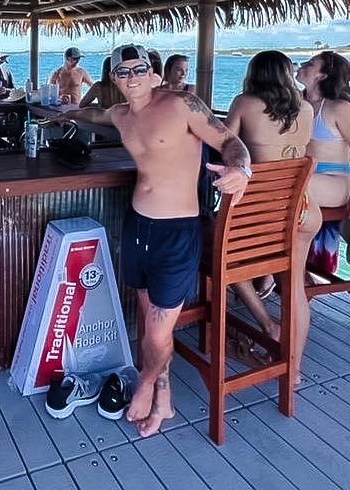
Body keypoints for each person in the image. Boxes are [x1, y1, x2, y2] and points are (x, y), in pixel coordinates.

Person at [62, 44, 251, 437]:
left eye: (139, 69)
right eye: (123, 72)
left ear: (153, 72)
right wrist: (59, 114)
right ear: (113, 78)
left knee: (158, 332)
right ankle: (164, 397)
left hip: (176, 232)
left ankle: (145, 385)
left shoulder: (183, 105)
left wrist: (241, 168)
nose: (132, 77)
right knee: (150, 321)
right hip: (138, 227)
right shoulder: (120, 114)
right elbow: (92, 113)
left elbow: (231, 142)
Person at [224, 51, 315, 382]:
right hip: (303, 211)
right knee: (294, 289)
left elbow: (224, 143)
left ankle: (268, 324)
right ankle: (294, 371)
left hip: (262, 216)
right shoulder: (306, 108)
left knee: (228, 261)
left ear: (254, 73)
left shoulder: (244, 103)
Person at [295, 51, 350, 276]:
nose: (302, 65)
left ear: (322, 75)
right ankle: (282, 265)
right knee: (279, 187)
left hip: (335, 180)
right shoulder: (297, 102)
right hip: (305, 177)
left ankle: (277, 269)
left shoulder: (339, 108)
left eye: (310, 63)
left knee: (286, 189)